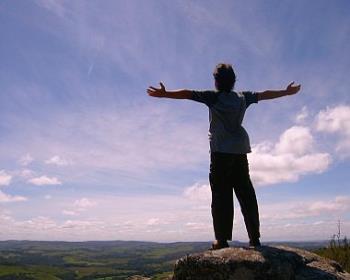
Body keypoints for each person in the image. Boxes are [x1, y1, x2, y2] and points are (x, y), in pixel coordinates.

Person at [147, 63, 301, 250]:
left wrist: (166, 94)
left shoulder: (213, 97)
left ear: (216, 82)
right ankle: (254, 239)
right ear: (234, 81)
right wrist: (285, 92)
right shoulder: (243, 97)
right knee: (246, 194)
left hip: (220, 152)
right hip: (240, 151)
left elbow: (187, 93)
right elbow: (265, 94)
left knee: (221, 195)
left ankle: (221, 240)